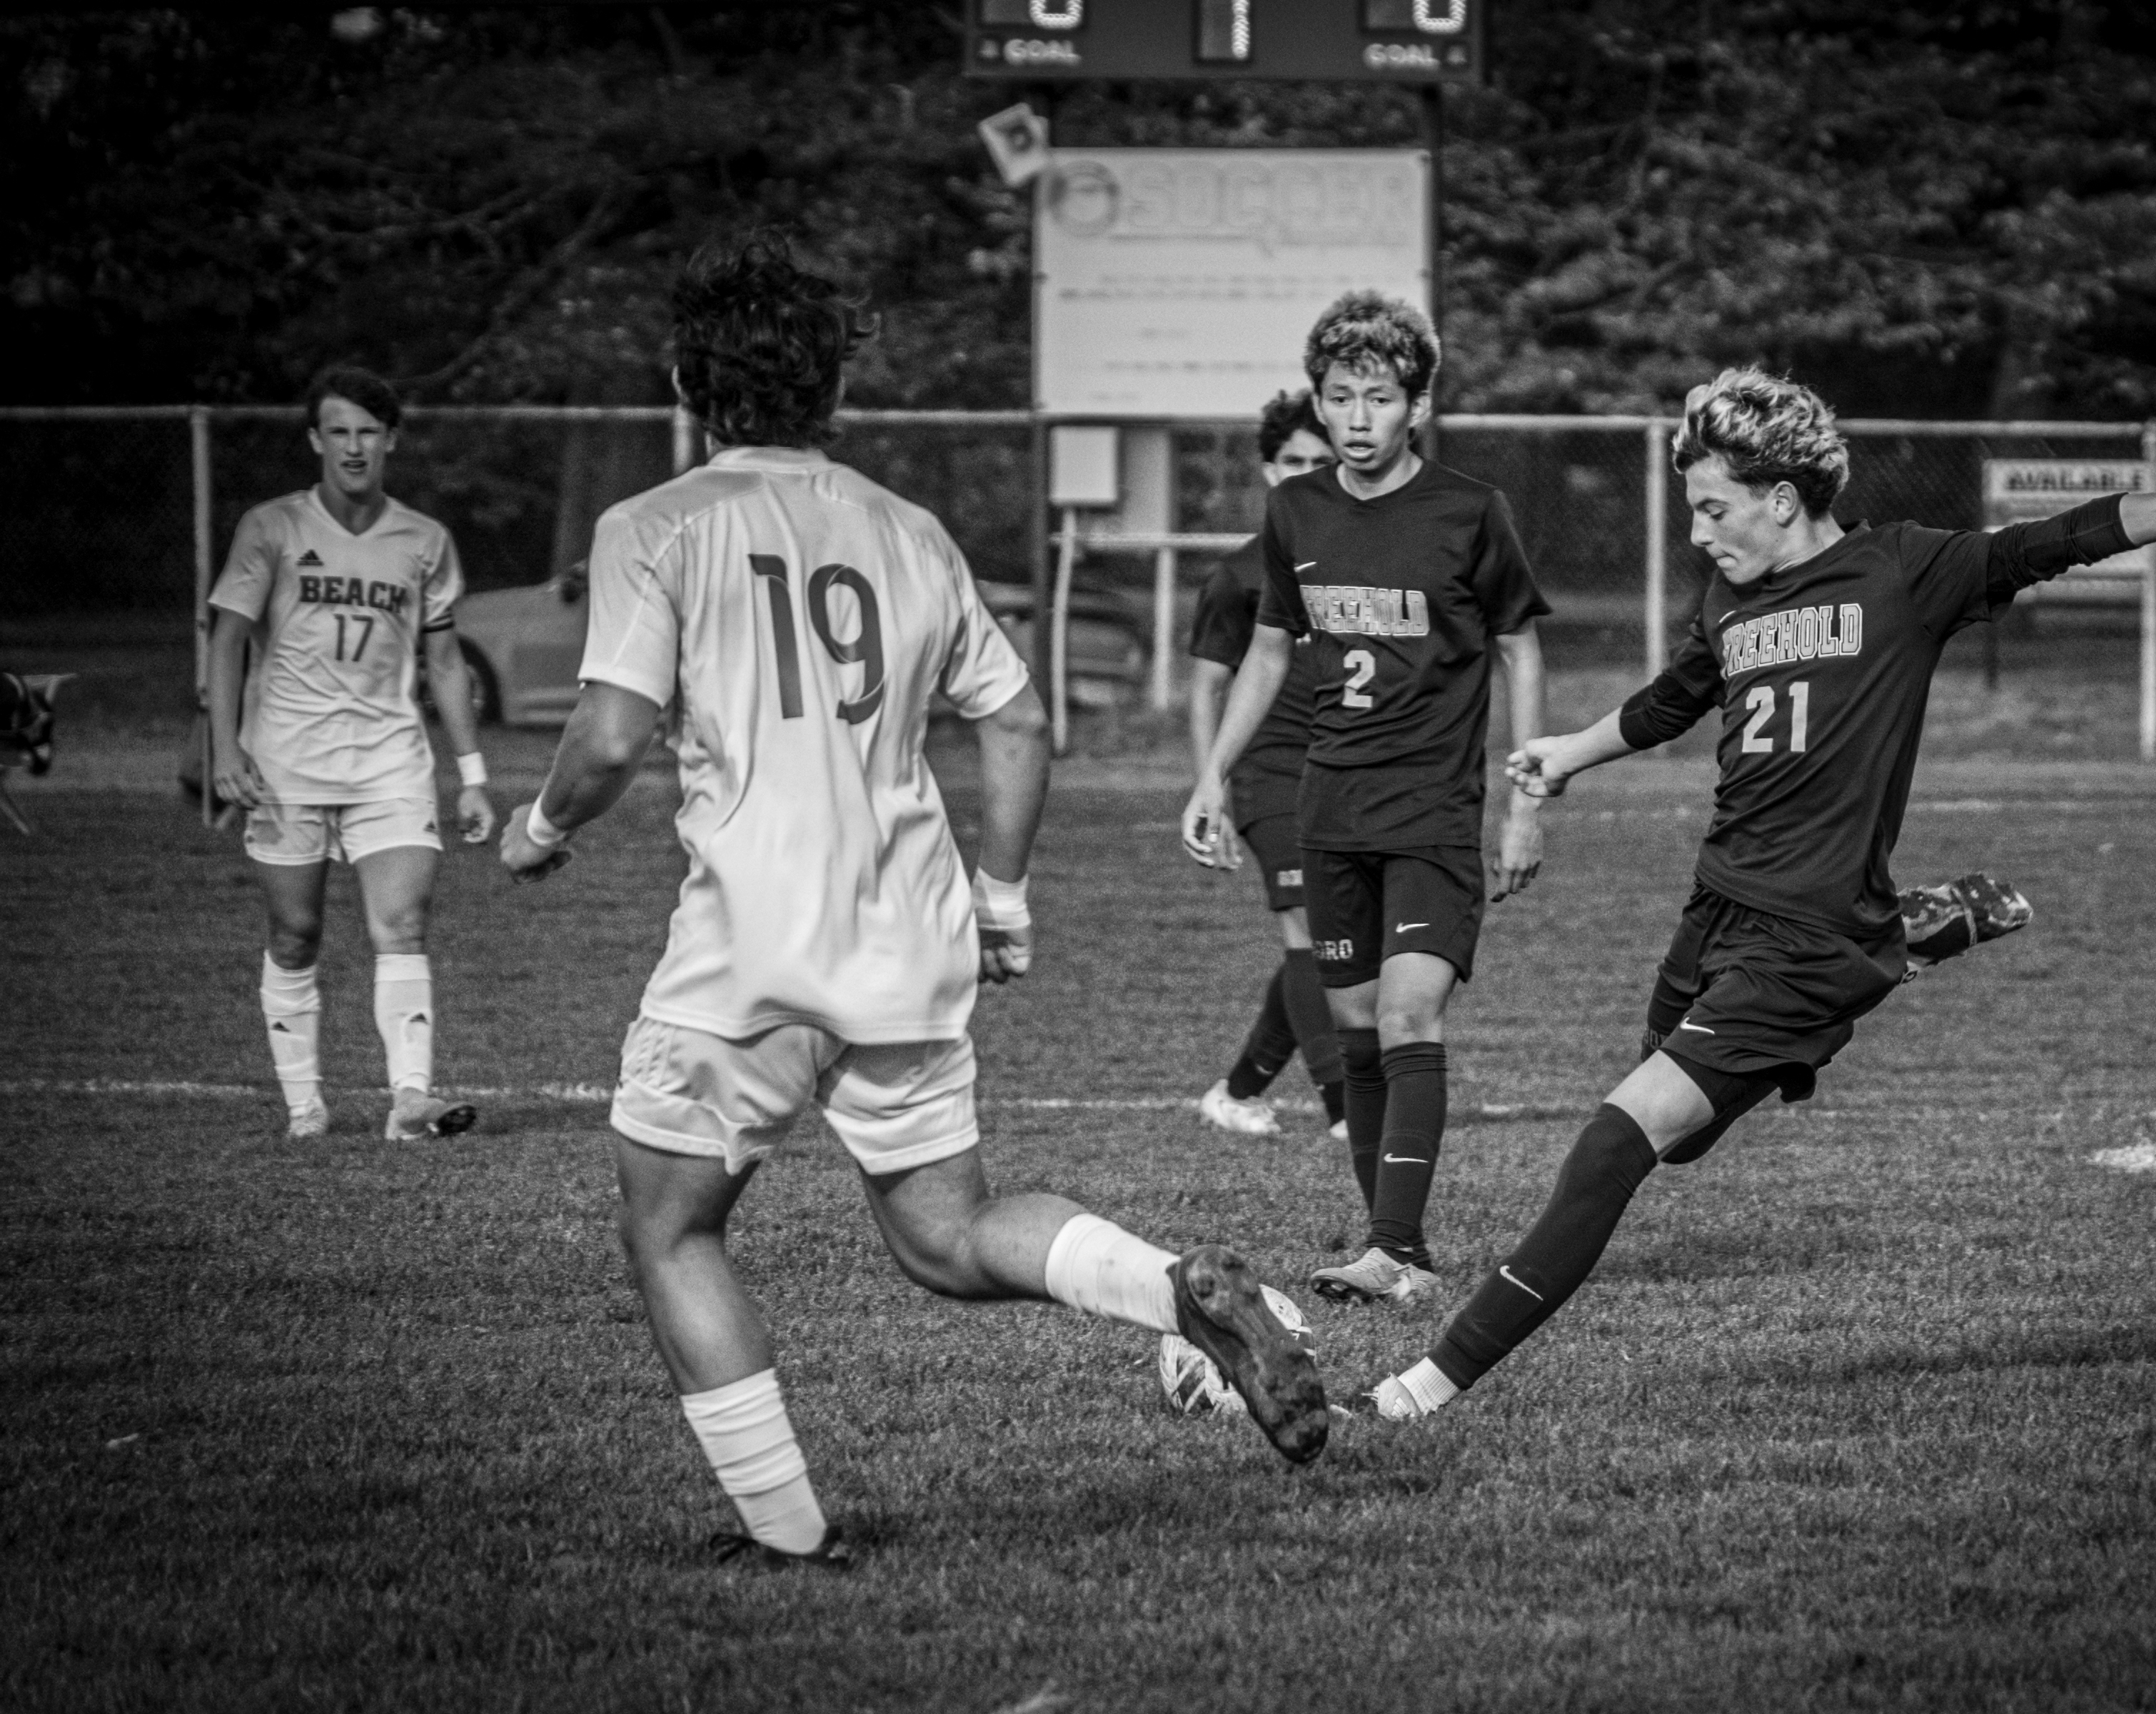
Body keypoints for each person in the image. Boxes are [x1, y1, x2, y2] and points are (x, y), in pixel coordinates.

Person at [498, 236, 1329, 1568]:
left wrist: (539, 830)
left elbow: (603, 740)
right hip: (905, 935)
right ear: (834, 383)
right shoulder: (908, 529)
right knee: (946, 1237)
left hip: (750, 952)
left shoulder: (653, 526)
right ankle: (1180, 1291)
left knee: (671, 1227)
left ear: (687, 380)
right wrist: (1000, 897)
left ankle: (787, 1538)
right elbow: (1019, 722)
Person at [1367, 367, 2156, 1421]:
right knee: (1685, 1138)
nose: (1696, 533)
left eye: (1711, 508)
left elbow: (2072, 532)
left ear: (1779, 497)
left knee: (1618, 1141)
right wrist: (1569, 752)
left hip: (1805, 941)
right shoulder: (1729, 599)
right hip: (1716, 911)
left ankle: (1414, 1391)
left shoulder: (1901, 572)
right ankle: (1908, 937)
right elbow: (1671, 702)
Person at [1182, 291, 1550, 1306]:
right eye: (1337, 396)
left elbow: (1518, 643)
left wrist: (1526, 791)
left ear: (1415, 406)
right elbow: (1266, 647)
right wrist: (1214, 773)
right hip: (1325, 806)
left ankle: (1399, 1251)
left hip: (1432, 810)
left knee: (1407, 1015)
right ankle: (1387, 1248)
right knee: (1352, 1029)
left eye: (1377, 398)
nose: (1354, 417)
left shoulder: (1470, 511)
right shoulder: (1295, 511)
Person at [206, 364, 493, 1142]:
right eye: (339, 431)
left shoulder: (425, 540)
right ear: (315, 439)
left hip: (391, 762)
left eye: (369, 431)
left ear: (390, 440)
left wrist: (471, 777)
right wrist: (224, 746)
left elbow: (442, 664)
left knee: (401, 923)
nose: (354, 446)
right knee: (295, 933)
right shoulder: (271, 528)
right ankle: (305, 1107)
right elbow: (228, 638)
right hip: (285, 764)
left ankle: (410, 1100)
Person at [1188, 389, 1346, 1140]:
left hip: (1345, 772)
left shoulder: (1360, 566)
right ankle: (1351, 1108)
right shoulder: (1239, 574)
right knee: (1309, 929)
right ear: (1267, 470)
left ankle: (1239, 1090)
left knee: (1328, 941)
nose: (1307, 473)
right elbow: (1208, 686)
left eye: (1323, 460)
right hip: (1268, 774)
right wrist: (1208, 785)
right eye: (1294, 461)